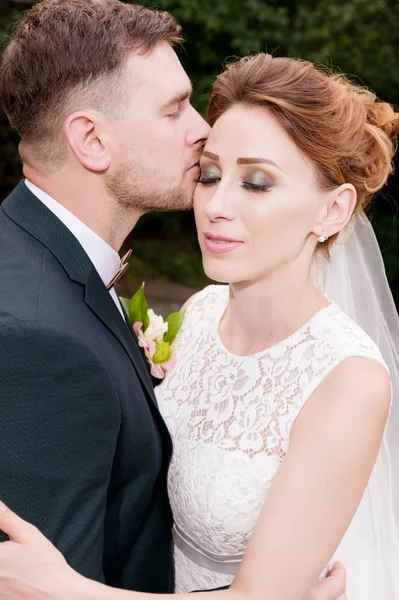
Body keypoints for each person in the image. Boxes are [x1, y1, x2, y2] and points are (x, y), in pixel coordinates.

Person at [1, 51, 399, 600]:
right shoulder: (198, 313)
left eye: (257, 183)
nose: (215, 205)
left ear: (332, 210)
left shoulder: (348, 381)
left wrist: (59, 589)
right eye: (210, 175)